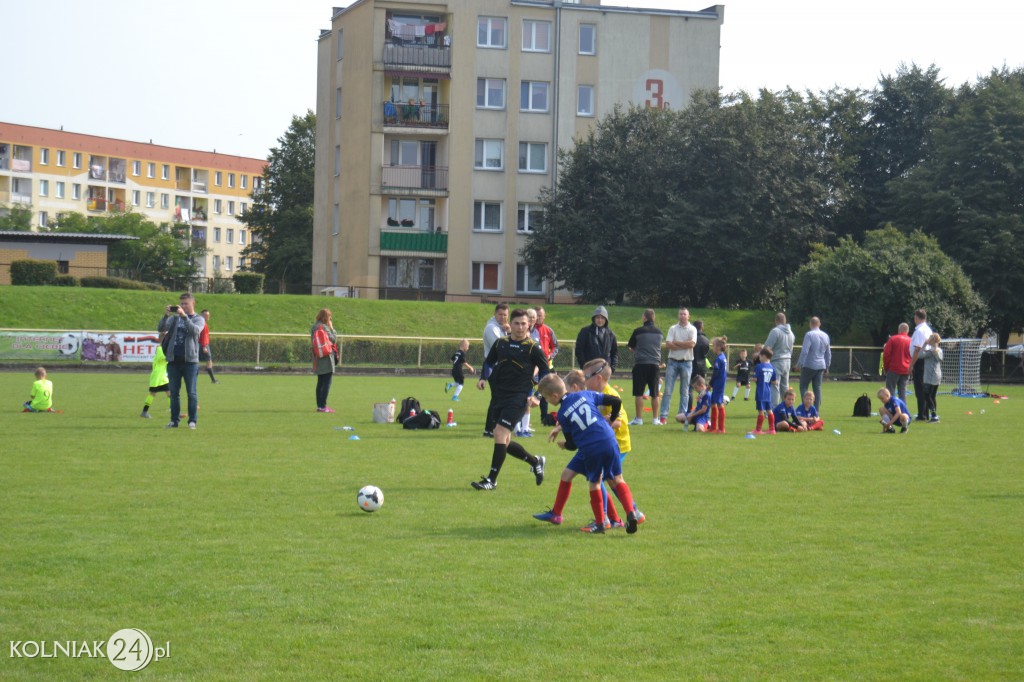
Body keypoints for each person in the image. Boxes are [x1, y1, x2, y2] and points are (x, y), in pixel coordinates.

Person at [532, 373, 640, 535]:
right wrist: (612, 419)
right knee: (618, 479)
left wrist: (563, 445)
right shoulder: (586, 394)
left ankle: (600, 523)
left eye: (546, 399)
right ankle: (631, 513)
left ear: (554, 396)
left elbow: (573, 445)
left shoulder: (562, 414)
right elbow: (616, 401)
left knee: (595, 483)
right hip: (609, 440)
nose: (547, 402)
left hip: (590, 448)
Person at [471, 308, 549, 491]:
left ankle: (491, 480)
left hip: (519, 397)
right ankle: (535, 461)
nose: (520, 327)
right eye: (517, 323)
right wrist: (483, 377)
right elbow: (489, 361)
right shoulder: (501, 343)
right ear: (510, 325)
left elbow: (546, 372)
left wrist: (538, 395)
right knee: (504, 441)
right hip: (499, 396)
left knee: (499, 433)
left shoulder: (533, 347)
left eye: (524, 324)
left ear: (528, 325)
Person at [582, 359, 645, 529]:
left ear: (598, 378)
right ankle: (632, 513)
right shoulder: (594, 394)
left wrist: (599, 422)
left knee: (599, 479)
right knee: (610, 480)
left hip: (618, 444)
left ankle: (605, 519)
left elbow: (618, 422)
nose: (584, 381)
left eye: (586, 377)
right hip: (607, 445)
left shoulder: (611, 395)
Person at [158, 293, 205, 429]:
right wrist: (166, 315)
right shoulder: (174, 318)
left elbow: (195, 331)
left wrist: (184, 317)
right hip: (173, 361)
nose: (183, 306)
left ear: (193, 303)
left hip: (190, 362)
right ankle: (174, 421)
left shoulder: (198, 319)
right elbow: (161, 328)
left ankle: (192, 421)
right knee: (174, 393)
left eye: (186, 304)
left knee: (191, 393)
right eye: (182, 304)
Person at [660, 307, 697, 426]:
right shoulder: (673, 328)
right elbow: (668, 344)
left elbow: (692, 344)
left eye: (684, 314)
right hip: (673, 361)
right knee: (668, 390)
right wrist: (684, 345)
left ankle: (681, 416)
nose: (682, 316)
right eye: (681, 314)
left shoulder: (692, 329)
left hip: (687, 362)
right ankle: (663, 416)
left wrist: (676, 343)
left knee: (684, 391)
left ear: (688, 316)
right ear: (678, 316)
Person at [626, 309, 663, 427]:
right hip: (655, 364)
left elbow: (631, 346)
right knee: (655, 394)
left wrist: (638, 350)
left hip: (641, 364)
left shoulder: (638, 331)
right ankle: (655, 419)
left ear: (644, 317)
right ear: (654, 318)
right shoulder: (659, 332)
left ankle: (639, 419)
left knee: (639, 393)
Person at [481, 303, 510, 437]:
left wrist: (508, 331)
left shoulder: (500, 327)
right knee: (497, 400)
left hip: (500, 368)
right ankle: (490, 429)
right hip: (495, 368)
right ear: (495, 314)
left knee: (498, 399)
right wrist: (509, 334)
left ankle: (493, 428)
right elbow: (501, 348)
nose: (503, 317)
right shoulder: (491, 328)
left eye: (505, 315)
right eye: (500, 314)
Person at [795, 316, 831, 411]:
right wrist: (827, 366)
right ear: (819, 324)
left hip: (809, 364)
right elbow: (828, 353)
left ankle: (806, 409)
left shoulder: (809, 335)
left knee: (803, 386)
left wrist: (799, 364)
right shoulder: (825, 336)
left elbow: (805, 351)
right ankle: (816, 411)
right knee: (817, 388)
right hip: (821, 365)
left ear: (810, 324)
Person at [763, 312, 795, 407]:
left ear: (776, 320)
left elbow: (767, 347)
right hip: (787, 361)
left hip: (776, 361)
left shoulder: (775, 331)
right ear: (785, 320)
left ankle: (774, 409)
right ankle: (787, 408)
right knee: (785, 387)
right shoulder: (791, 333)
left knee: (774, 386)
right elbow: (791, 349)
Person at [535, 306, 559, 426]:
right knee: (527, 391)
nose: (538, 317)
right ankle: (522, 419)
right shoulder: (529, 330)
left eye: (540, 315)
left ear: (544, 316)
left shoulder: (548, 331)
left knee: (544, 392)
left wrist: (550, 355)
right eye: (536, 315)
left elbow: (555, 347)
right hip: (532, 366)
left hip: (545, 366)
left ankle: (544, 417)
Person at [574, 305, 618, 372]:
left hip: (605, 371)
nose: (600, 320)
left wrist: (612, 368)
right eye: (598, 317)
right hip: (589, 371)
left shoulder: (610, 334)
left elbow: (614, 353)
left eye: (602, 318)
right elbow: (579, 350)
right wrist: (584, 366)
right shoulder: (585, 332)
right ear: (594, 318)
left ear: (606, 319)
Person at [310, 308, 338, 413]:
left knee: (320, 382)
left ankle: (319, 405)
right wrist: (332, 328)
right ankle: (323, 406)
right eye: (329, 317)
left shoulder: (314, 327)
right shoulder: (325, 327)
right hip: (326, 357)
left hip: (317, 357)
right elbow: (334, 339)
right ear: (326, 318)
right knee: (327, 382)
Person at [909, 309, 934, 421]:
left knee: (919, 389)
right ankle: (925, 413)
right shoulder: (928, 329)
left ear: (916, 317)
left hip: (919, 361)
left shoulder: (919, 331)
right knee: (924, 388)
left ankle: (922, 414)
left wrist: (911, 364)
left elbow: (917, 349)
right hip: (926, 360)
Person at [882, 323, 912, 405]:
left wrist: (886, 367)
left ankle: (892, 408)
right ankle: (903, 410)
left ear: (899, 330)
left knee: (890, 390)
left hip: (894, 368)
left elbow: (886, 354)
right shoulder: (911, 340)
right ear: (907, 331)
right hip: (906, 369)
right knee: (903, 391)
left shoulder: (893, 339)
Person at [753, 347, 778, 434]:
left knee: (761, 411)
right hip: (768, 392)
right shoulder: (772, 367)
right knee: (769, 410)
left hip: (760, 391)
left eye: (760, 355)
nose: (759, 357)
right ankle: (772, 429)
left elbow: (755, 379)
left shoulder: (759, 366)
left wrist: (753, 379)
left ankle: (758, 429)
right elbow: (775, 381)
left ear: (764, 356)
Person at [140, 343, 170, 418]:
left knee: (169, 392)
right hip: (157, 376)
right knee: (153, 393)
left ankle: (173, 410)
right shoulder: (160, 349)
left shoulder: (164, 349)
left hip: (162, 376)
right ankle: (144, 412)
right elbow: (163, 358)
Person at [708, 335, 729, 433]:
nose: (713, 348)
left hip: (718, 384)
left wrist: (710, 384)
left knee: (718, 404)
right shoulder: (723, 357)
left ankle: (720, 428)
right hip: (721, 383)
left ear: (718, 347)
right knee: (715, 403)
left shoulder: (719, 359)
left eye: (713, 346)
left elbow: (715, 374)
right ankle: (715, 428)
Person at [921, 332, 943, 423]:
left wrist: (924, 344)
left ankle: (934, 416)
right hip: (937, 375)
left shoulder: (931, 352)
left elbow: (920, 355)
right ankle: (934, 415)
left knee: (927, 395)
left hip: (930, 376)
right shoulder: (939, 350)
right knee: (932, 396)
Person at [199, 309, 219, 384]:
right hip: (203, 345)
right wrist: (204, 346)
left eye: (208, 315)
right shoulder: (203, 324)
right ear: (203, 316)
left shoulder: (201, 323)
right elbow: (203, 336)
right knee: (209, 362)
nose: (208, 316)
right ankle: (213, 380)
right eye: (207, 315)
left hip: (202, 345)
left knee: (196, 362)